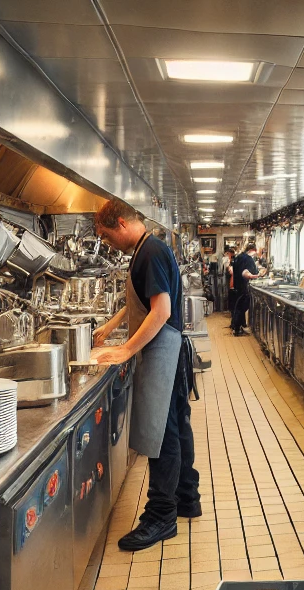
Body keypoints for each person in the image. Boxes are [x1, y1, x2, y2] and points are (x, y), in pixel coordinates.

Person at [90, 198, 201, 550]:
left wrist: (125, 349)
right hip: (168, 354)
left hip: (163, 354)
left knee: (162, 436)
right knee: (177, 428)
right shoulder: (146, 249)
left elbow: (161, 310)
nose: (109, 244)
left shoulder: (150, 251)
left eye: (108, 236)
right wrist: (112, 325)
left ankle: (161, 516)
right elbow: (141, 298)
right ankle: (186, 498)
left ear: (121, 222)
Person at [230, 242, 267, 336]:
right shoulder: (248, 259)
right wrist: (257, 275)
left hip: (237, 285)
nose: (255, 255)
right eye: (255, 252)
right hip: (244, 287)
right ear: (251, 251)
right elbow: (245, 273)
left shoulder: (238, 257)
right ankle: (237, 328)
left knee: (238, 306)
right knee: (242, 307)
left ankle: (237, 326)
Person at [220, 245, 236, 314]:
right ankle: (226, 308)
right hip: (226, 277)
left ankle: (227, 308)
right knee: (226, 293)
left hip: (227, 277)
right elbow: (227, 268)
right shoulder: (226, 259)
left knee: (227, 293)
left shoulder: (227, 259)